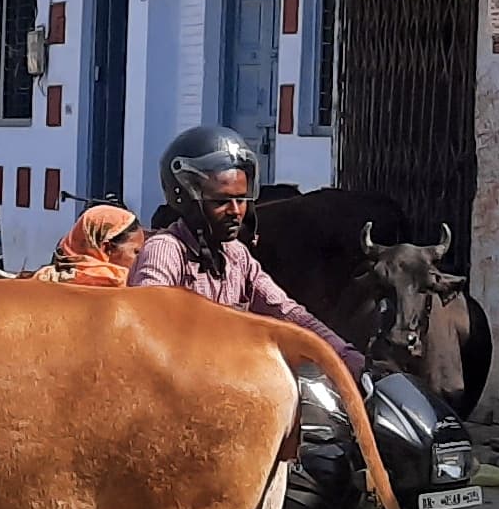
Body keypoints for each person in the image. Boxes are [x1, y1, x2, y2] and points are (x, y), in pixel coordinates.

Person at [128, 125, 366, 376]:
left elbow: (286, 311)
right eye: (221, 202)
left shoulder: (235, 255)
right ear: (185, 200)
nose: (236, 212)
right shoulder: (166, 251)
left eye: (241, 199)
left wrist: (344, 356)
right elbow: (147, 328)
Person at [33, 204, 145, 287]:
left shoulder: (42, 278)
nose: (141, 259)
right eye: (136, 252)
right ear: (107, 248)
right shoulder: (123, 283)